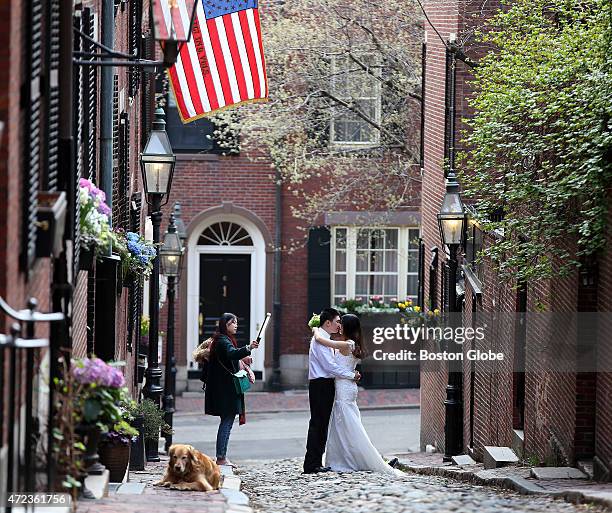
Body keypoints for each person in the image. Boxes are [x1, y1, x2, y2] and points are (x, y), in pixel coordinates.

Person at [312, 313, 401, 475]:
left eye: (341, 323)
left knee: (350, 425)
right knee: (344, 425)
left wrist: (316, 331)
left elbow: (322, 341)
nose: (339, 326)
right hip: (346, 386)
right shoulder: (349, 343)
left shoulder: (347, 345)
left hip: (344, 387)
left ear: (346, 327)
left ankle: (372, 459)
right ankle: (345, 458)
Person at [303, 308, 361, 474]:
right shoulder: (320, 340)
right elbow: (330, 366)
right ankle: (312, 464)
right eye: (337, 321)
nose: (339, 325)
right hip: (321, 384)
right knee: (318, 424)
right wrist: (351, 375)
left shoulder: (324, 338)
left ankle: (316, 462)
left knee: (321, 424)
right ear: (327, 323)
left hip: (325, 384)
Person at [204, 313, 259, 466]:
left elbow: (231, 357)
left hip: (224, 389)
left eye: (236, 322)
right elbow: (231, 353)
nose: (236, 325)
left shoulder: (223, 340)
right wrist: (248, 348)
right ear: (225, 325)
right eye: (232, 322)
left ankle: (222, 456)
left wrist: (244, 359)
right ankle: (221, 457)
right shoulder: (222, 340)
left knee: (227, 421)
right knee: (227, 422)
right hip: (225, 390)